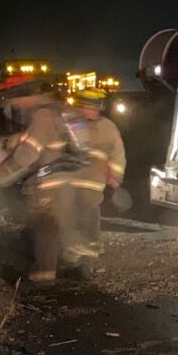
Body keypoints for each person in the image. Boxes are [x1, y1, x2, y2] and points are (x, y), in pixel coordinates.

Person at [0, 80, 89, 284]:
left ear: (26, 97)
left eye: (17, 99)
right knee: (60, 225)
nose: (16, 104)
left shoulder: (41, 116)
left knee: (44, 226)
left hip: (48, 182)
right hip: (64, 180)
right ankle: (74, 268)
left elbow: (28, 152)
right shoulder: (55, 111)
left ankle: (43, 276)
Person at [69, 88, 126, 259]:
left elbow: (118, 152)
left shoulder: (107, 127)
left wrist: (115, 174)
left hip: (94, 177)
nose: (91, 111)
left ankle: (91, 241)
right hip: (72, 175)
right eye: (87, 107)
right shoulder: (72, 125)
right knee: (69, 208)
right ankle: (73, 242)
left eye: (94, 107)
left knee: (90, 205)